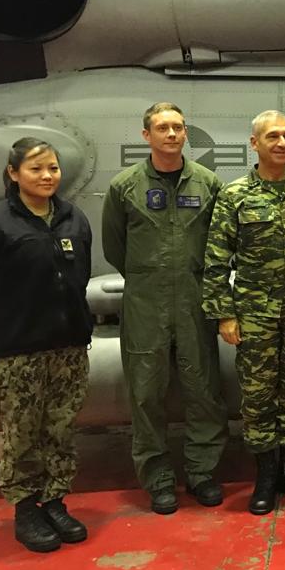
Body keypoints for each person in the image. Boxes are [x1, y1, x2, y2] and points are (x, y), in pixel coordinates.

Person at [0, 138, 92, 553]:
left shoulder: (72, 218)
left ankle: (55, 501)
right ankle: (26, 508)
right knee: (22, 434)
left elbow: (80, 274)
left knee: (60, 430)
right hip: (17, 353)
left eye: (53, 168)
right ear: (13, 173)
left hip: (68, 347)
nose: (47, 176)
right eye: (36, 169)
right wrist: (6, 320)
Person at [103, 102, 229, 515]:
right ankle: (158, 480)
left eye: (178, 127)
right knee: (145, 395)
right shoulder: (125, 187)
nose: (172, 134)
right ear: (147, 135)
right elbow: (115, 247)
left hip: (195, 301)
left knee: (204, 390)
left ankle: (202, 473)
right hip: (145, 305)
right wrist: (149, 278)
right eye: (162, 128)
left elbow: (220, 243)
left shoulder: (208, 184)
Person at [203, 111, 285, 514]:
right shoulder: (235, 194)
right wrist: (224, 314)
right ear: (254, 143)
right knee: (257, 395)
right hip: (254, 313)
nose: (282, 143)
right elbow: (216, 259)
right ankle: (266, 475)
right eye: (273, 136)